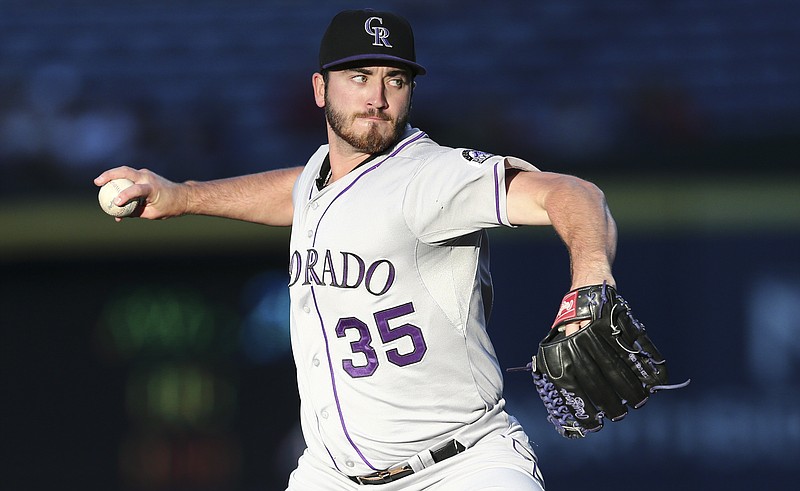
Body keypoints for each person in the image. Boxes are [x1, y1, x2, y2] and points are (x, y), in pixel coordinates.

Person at [96, 9, 617, 490]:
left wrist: (590, 275)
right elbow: (294, 191)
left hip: (460, 467)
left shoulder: (431, 177)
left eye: (396, 80)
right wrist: (183, 196)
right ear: (321, 89)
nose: (378, 97)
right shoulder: (320, 173)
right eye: (359, 77)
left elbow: (570, 192)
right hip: (333, 472)